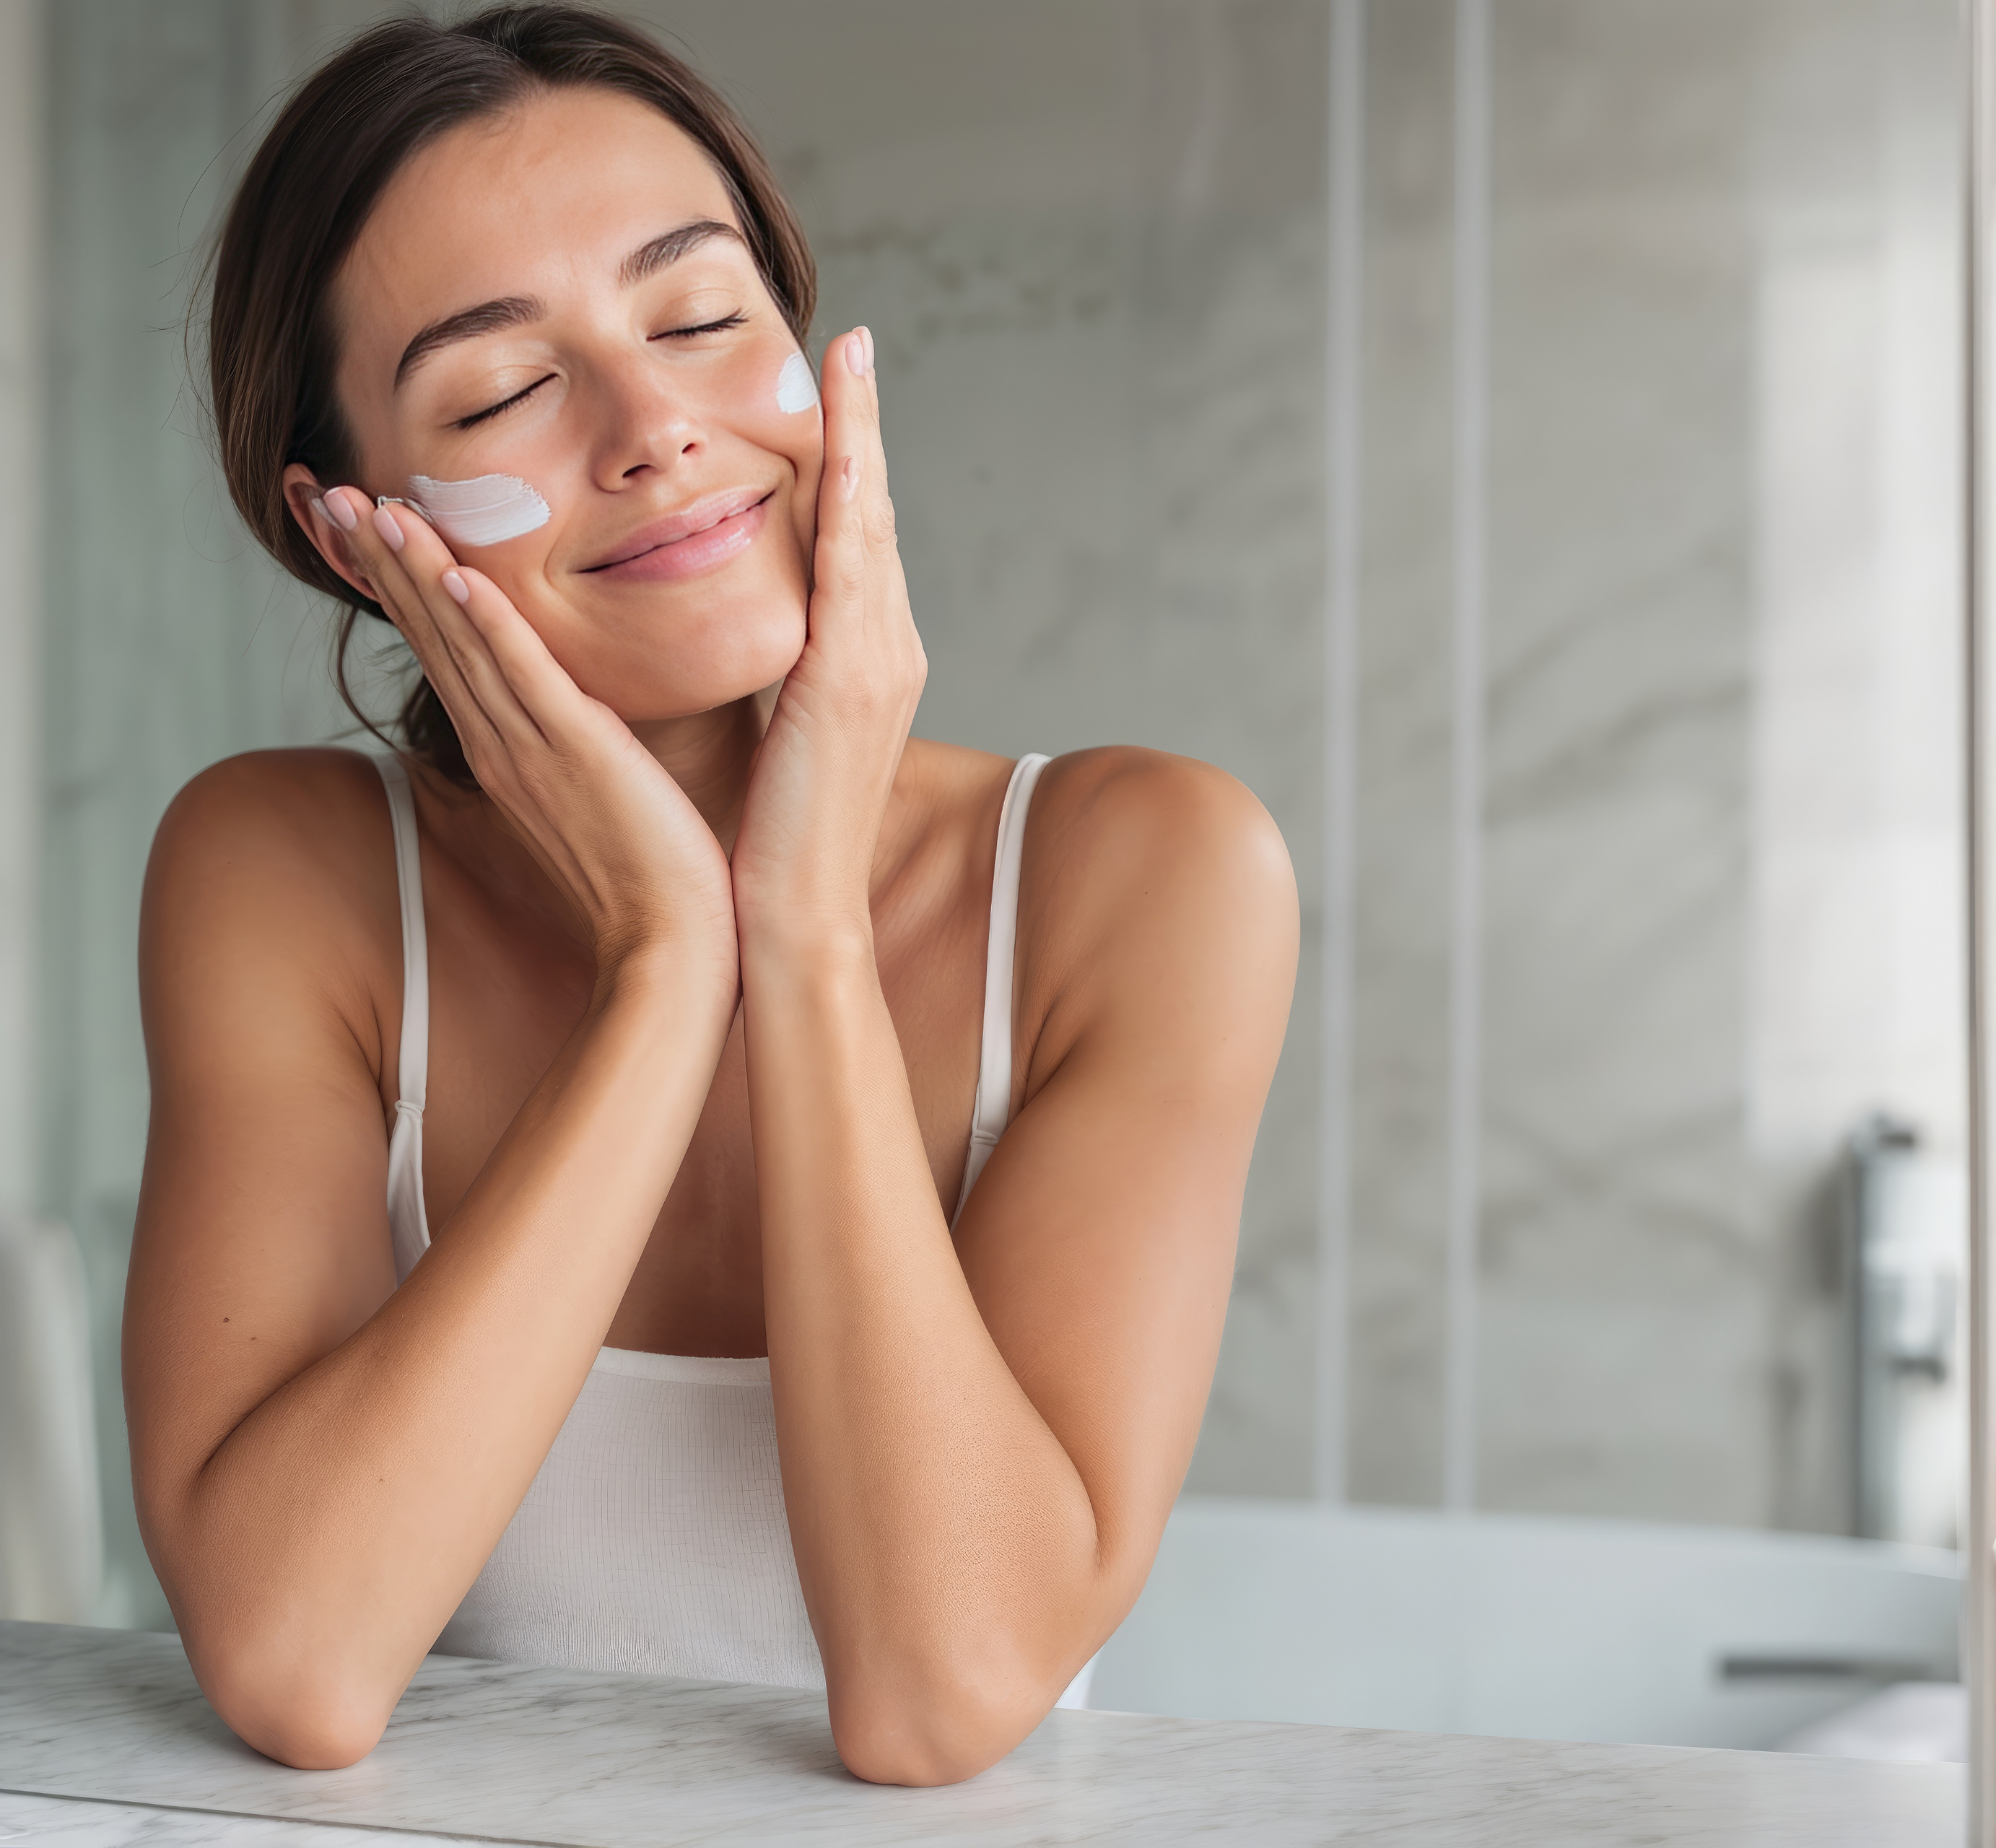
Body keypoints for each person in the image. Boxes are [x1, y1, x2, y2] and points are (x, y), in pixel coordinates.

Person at [122, 4, 1296, 1787]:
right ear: (348, 526)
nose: (656, 425)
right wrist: (667, 963)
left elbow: (939, 1690)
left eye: (698, 316)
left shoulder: (1147, 876)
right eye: (505, 386)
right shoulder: (284, 877)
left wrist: (801, 932)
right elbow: (297, 1656)